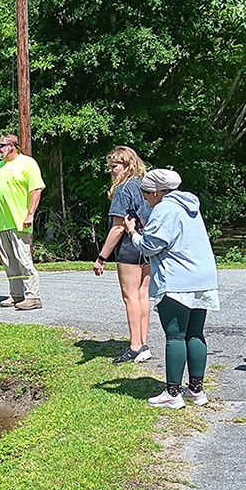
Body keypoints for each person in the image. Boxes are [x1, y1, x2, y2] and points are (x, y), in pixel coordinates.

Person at [124, 169, 219, 409]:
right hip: (203, 277)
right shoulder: (190, 206)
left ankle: (172, 393)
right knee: (195, 334)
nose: (146, 199)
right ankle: (196, 390)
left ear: (156, 191)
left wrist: (133, 232)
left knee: (175, 335)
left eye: (147, 194)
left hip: (178, 280)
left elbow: (151, 246)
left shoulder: (165, 208)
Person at [93, 146, 153, 364]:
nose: (110, 170)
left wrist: (102, 257)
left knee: (130, 296)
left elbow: (118, 227)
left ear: (127, 166)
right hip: (148, 244)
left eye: (114, 166)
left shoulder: (123, 189)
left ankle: (135, 346)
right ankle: (143, 343)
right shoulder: (147, 185)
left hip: (129, 246)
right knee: (143, 295)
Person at [0, 134, 45, 310]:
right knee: (9, 261)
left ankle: (33, 297)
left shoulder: (28, 163)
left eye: (1, 145)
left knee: (23, 259)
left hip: (19, 221)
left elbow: (36, 190)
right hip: (1, 223)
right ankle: (16, 295)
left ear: (12, 146)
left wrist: (30, 214)